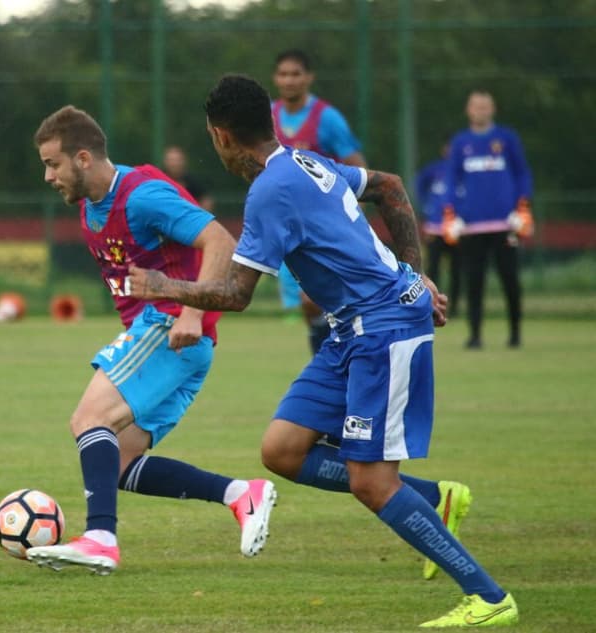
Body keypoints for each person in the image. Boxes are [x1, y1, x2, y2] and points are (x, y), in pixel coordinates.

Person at [127, 75, 518, 628]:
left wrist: (163, 286)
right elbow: (390, 186)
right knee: (282, 449)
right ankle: (435, 501)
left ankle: (488, 596)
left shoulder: (269, 189)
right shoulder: (305, 162)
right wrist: (413, 275)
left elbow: (236, 294)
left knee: (371, 482)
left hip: (381, 330)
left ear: (221, 136)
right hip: (351, 330)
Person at [25, 105, 277, 575]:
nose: (47, 176)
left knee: (88, 419)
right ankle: (240, 494)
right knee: (116, 463)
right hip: (178, 345)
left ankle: (100, 538)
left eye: (52, 164)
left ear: (82, 158)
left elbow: (220, 240)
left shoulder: (141, 195)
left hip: (170, 329)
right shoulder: (89, 206)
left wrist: (193, 311)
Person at [271, 48, 367, 354]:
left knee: (316, 299)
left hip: (324, 225)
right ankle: (331, 362)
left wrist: (355, 223)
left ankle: (333, 364)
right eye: (283, 74)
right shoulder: (267, 117)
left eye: (296, 73)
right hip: (285, 227)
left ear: (309, 78)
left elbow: (358, 167)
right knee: (310, 307)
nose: (289, 80)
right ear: (275, 78)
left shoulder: (327, 118)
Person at [445, 90, 533, 349]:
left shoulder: (506, 138)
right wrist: (452, 214)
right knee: (474, 282)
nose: (481, 111)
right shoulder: (461, 142)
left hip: (505, 223)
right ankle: (475, 335)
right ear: (468, 110)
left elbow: (522, 174)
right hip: (472, 226)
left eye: (485, 106)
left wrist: (522, 207)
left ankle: (515, 333)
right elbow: (452, 178)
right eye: (476, 106)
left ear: (492, 109)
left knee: (510, 279)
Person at [416, 139, 462, 318]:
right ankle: (432, 304)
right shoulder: (435, 169)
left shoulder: (462, 170)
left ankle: (455, 307)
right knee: (433, 269)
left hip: (457, 229)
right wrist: (425, 206)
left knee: (457, 269)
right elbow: (419, 183)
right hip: (435, 227)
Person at [161, 144, 215, 212]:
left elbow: (206, 200)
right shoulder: (159, 180)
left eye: (178, 160)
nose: (175, 163)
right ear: (165, 161)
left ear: (183, 161)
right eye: (172, 160)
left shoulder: (192, 181)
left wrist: (199, 217)